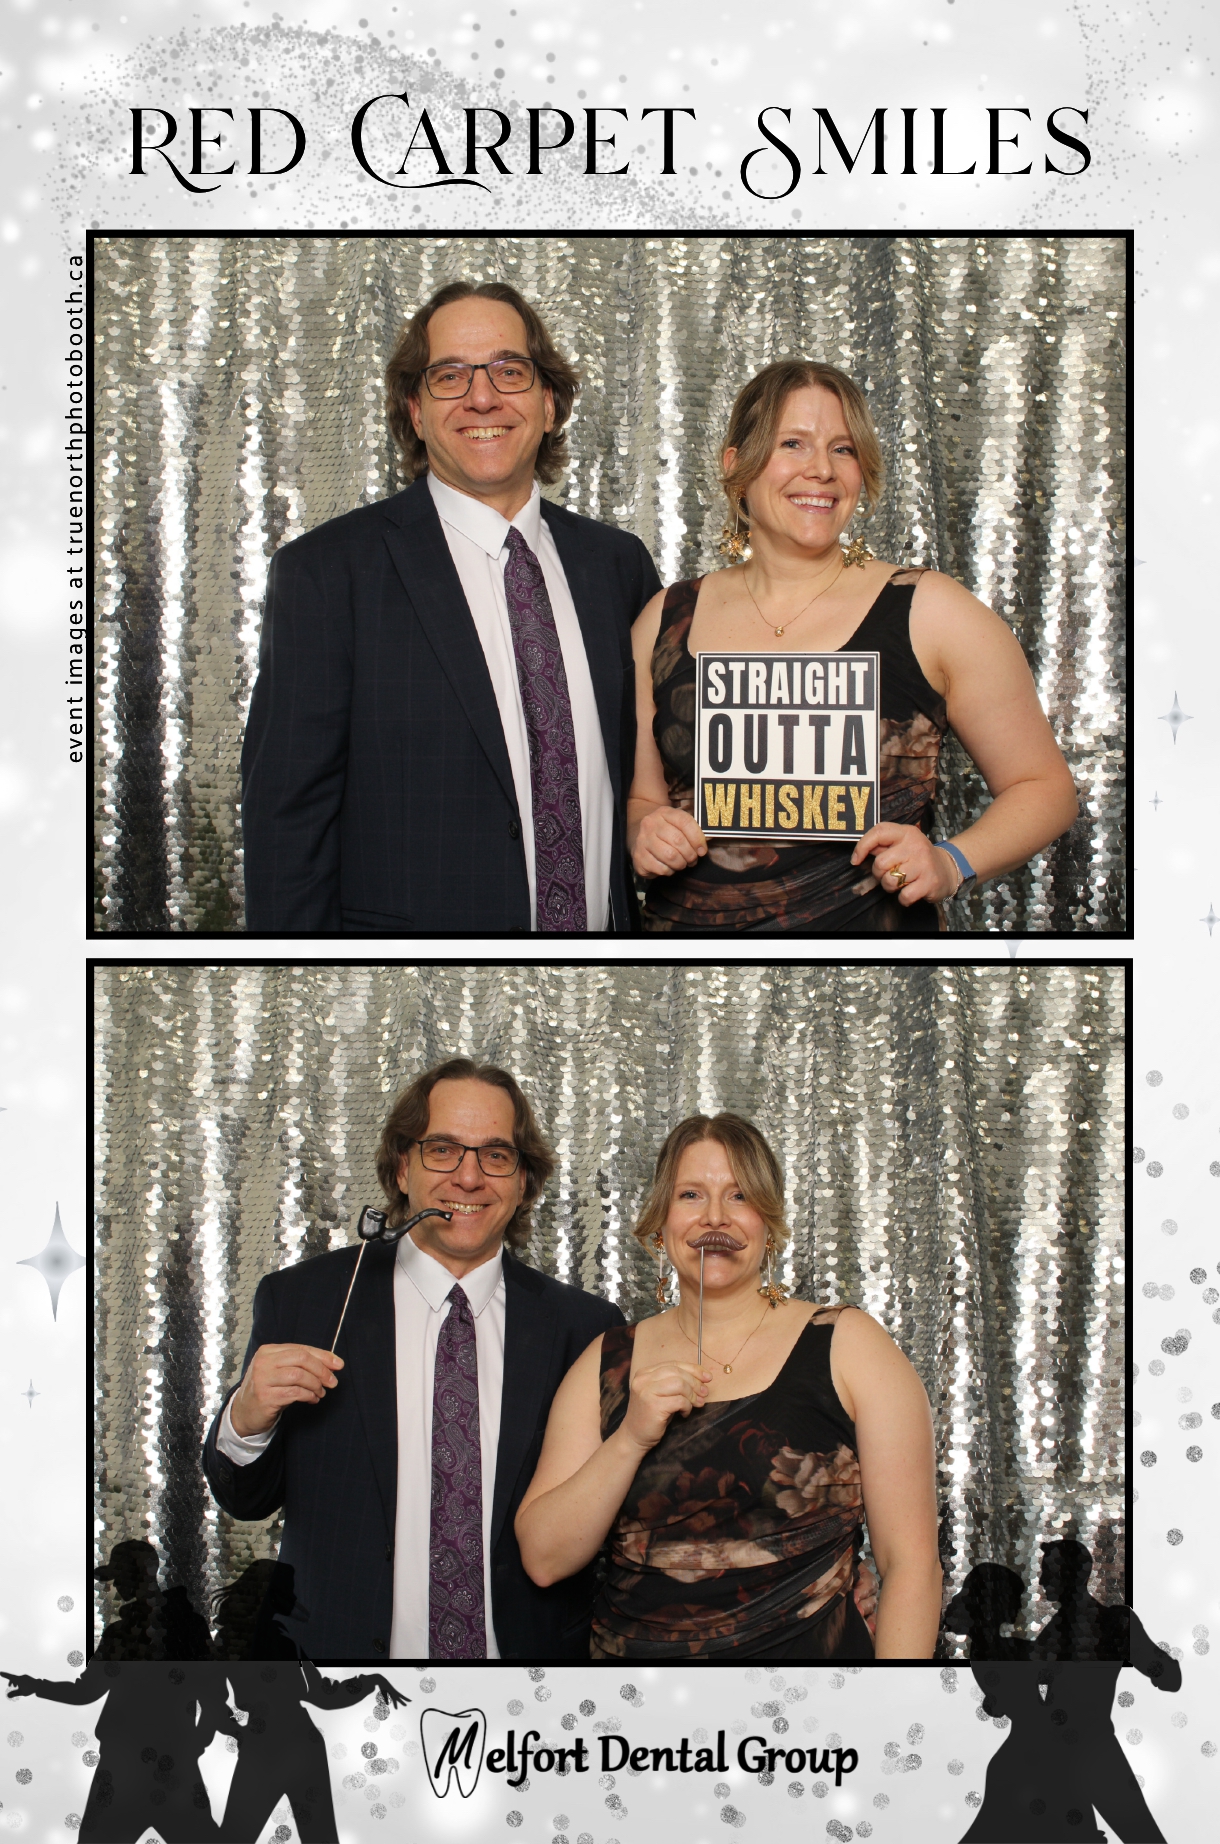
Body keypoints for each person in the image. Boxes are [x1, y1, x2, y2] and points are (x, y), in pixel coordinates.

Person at [241, 280, 661, 935]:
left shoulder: (617, 566)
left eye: (510, 371)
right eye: (449, 376)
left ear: (550, 403)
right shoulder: (327, 573)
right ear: (414, 410)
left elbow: (654, 776)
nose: (482, 396)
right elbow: (285, 824)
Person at [627, 360, 1079, 931]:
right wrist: (643, 832)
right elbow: (644, 801)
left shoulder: (930, 611)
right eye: (793, 443)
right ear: (736, 464)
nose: (821, 469)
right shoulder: (665, 619)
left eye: (842, 449)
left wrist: (951, 862)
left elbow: (1046, 789)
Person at [202, 1058, 624, 1660]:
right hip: (340, 1680)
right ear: (403, 1168)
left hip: (529, 1685)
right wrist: (247, 1418)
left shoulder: (586, 1329)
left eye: (496, 1155)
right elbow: (245, 1501)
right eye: (443, 1150)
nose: (469, 1178)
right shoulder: (306, 1301)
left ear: (523, 1181)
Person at [515, 1112, 941, 1658]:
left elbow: (911, 1565)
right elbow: (545, 1560)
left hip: (812, 1699)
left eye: (739, 1195)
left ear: (769, 1222)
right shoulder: (608, 1361)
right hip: (639, 1699)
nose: (715, 1216)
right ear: (661, 1220)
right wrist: (630, 1439)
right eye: (691, 1194)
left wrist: (895, 1708)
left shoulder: (848, 1344)